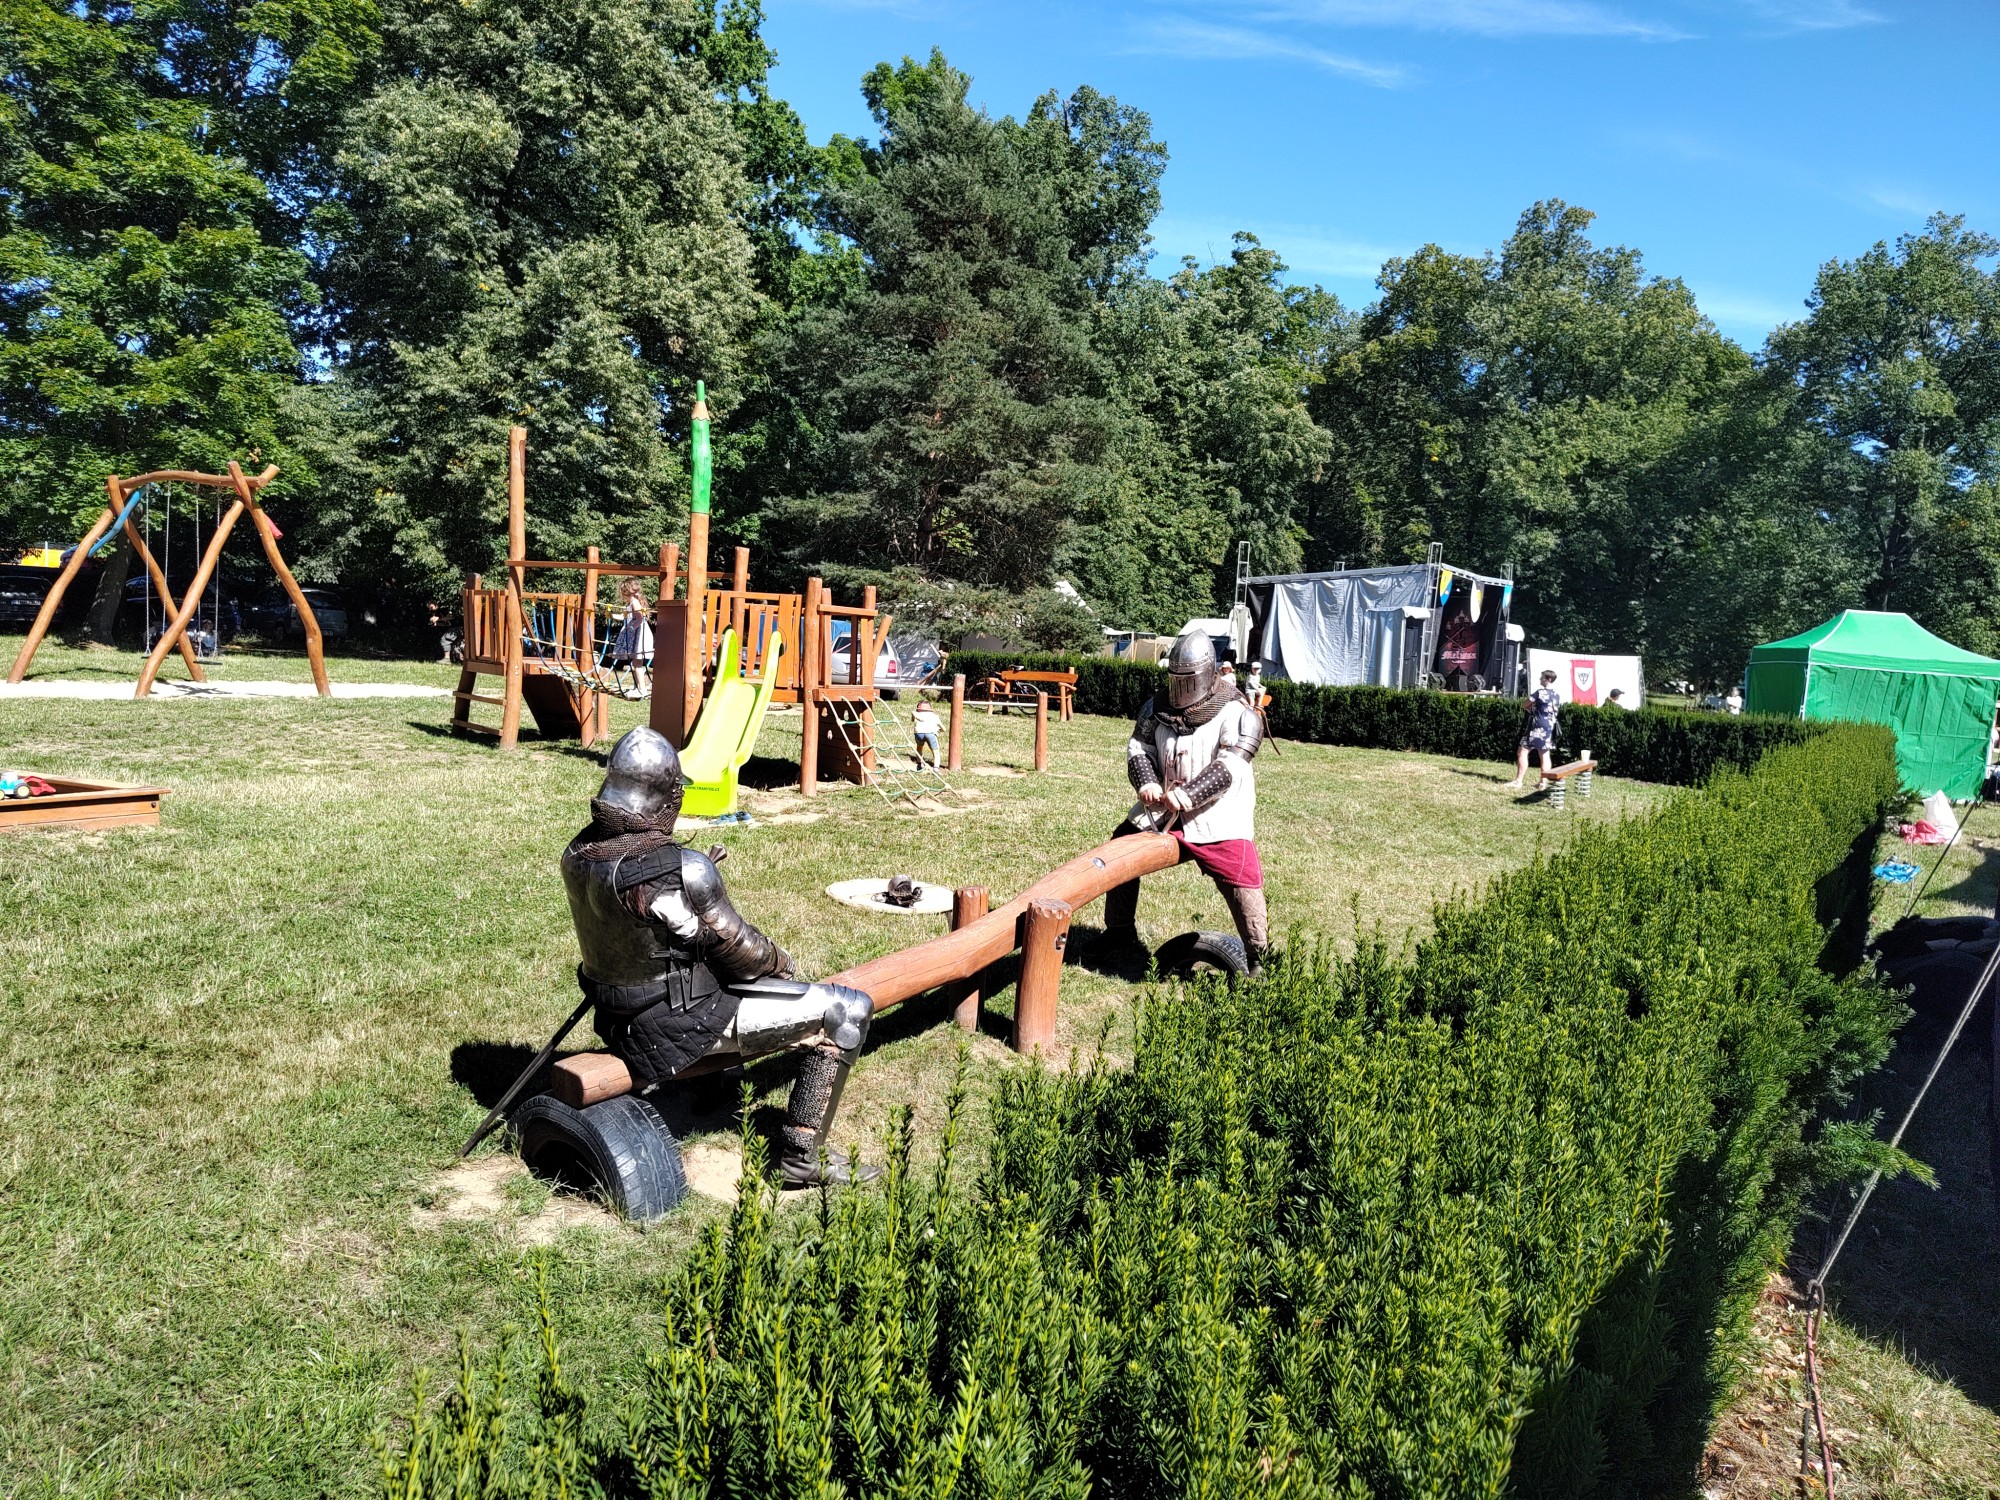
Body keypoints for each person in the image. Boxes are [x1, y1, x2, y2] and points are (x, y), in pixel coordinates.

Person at [562, 727, 876, 1187]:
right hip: (680, 1024)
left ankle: (719, 1087)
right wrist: (785, 966)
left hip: (614, 1013)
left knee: (711, 971)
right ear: (667, 799)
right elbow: (747, 956)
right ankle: (801, 1158)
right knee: (849, 1009)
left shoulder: (578, 851)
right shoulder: (684, 869)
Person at [1100, 630, 1269, 973]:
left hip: (1218, 817)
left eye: (1187, 677)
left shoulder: (1237, 712)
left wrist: (1190, 795)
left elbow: (1232, 765)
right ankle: (1118, 933)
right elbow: (1139, 747)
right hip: (1161, 813)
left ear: (1206, 673)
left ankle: (1257, 959)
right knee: (1118, 851)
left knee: (1243, 879)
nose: (1180, 686)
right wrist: (1147, 781)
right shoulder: (1156, 707)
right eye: (1175, 677)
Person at [1506, 668, 1562, 790]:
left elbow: (1524, 704)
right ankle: (1543, 783)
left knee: (1522, 751)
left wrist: (1532, 709)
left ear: (1548, 679)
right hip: (1549, 726)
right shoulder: (1556, 695)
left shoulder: (1539, 693)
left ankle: (1518, 781)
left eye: (1542, 677)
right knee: (1545, 754)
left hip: (1536, 725)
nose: (1540, 679)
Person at [611, 578, 654, 691]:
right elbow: (625, 617)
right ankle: (637, 687)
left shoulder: (634, 602)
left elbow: (640, 618)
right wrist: (612, 616)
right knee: (635, 663)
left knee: (637, 664)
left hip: (639, 635)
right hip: (636, 633)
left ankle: (642, 689)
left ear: (626, 592)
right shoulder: (631, 603)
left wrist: (631, 628)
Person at [911, 699, 942, 766]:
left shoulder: (916, 714)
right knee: (936, 752)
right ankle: (936, 767)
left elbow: (913, 719)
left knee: (919, 747)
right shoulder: (934, 716)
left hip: (919, 734)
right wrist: (939, 730)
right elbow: (943, 729)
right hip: (930, 734)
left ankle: (919, 764)